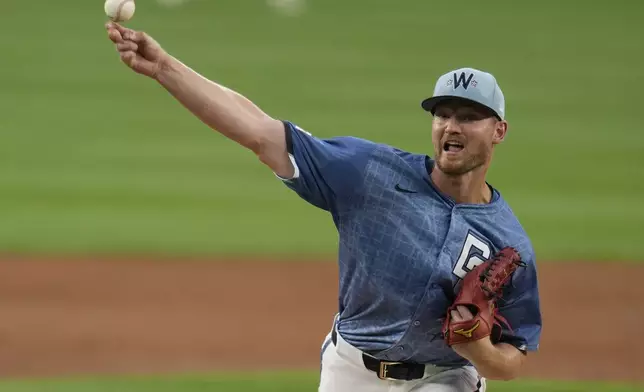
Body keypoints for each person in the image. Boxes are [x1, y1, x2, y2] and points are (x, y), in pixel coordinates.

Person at [105, 21, 542, 392]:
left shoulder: (508, 242)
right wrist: (164, 67)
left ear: (499, 130)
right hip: (353, 371)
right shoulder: (370, 173)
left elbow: (511, 359)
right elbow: (260, 131)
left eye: (468, 116)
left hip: (447, 378)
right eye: (442, 114)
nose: (451, 125)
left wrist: (478, 349)